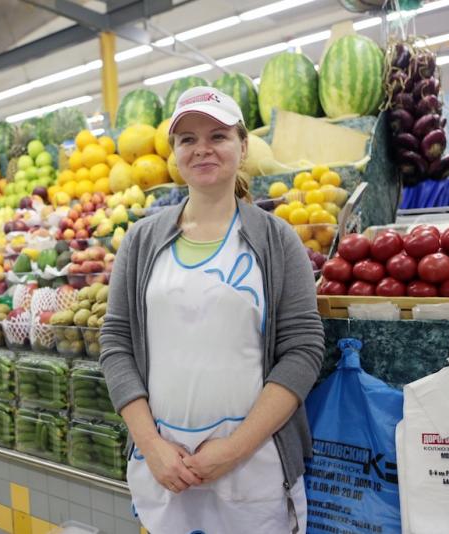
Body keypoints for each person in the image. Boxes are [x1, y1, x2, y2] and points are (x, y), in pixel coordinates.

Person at [99, 86, 324, 534]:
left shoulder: (278, 241)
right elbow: (116, 343)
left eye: (218, 136)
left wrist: (235, 448)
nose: (202, 149)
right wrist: (152, 447)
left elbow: (302, 351)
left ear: (243, 148)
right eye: (187, 139)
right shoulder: (141, 241)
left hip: (254, 470)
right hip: (165, 472)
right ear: (175, 154)